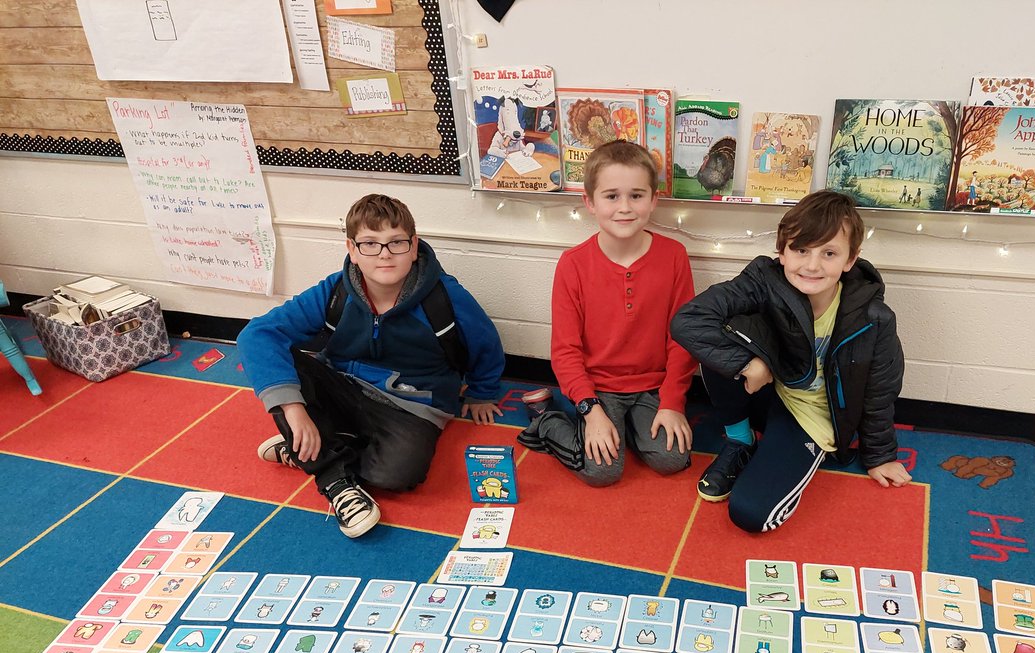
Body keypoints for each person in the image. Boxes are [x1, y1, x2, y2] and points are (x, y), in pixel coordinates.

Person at [238, 194, 505, 538]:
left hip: (411, 404)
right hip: (343, 387)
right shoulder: (336, 290)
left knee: (397, 476)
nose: (384, 254)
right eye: (370, 244)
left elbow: (487, 343)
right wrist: (292, 408)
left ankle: (310, 449)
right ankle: (334, 481)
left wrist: (483, 392)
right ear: (352, 248)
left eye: (396, 242)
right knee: (277, 368)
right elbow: (257, 334)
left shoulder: (446, 297)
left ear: (414, 246)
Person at [670, 189, 910, 533]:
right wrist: (748, 364)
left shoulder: (874, 317)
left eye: (829, 253)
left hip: (810, 417)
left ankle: (780, 454)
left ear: (850, 260)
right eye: (801, 250)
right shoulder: (763, 279)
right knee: (721, 341)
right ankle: (741, 440)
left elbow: (880, 390)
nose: (812, 265)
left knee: (751, 515)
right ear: (781, 251)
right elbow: (688, 320)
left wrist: (880, 455)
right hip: (768, 390)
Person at [518, 140, 696, 486]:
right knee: (603, 471)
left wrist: (673, 402)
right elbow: (565, 351)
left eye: (637, 195)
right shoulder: (573, 265)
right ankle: (548, 421)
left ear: (654, 199)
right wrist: (590, 408)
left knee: (672, 458)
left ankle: (629, 425)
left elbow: (683, 338)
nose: (625, 208)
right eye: (612, 196)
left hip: (652, 385)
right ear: (590, 202)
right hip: (598, 388)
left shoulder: (674, 256)